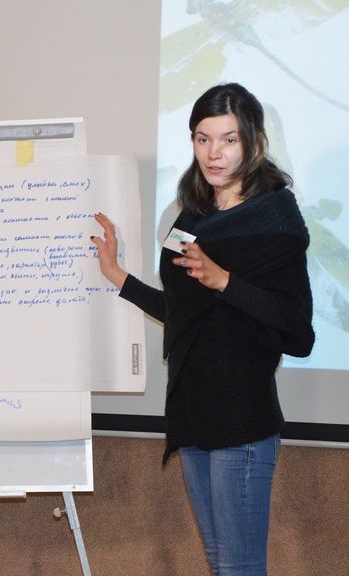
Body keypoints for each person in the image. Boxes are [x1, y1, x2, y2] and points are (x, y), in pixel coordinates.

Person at [90, 82, 314, 576]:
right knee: (219, 563)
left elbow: (299, 333)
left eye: (229, 140)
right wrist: (117, 275)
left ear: (254, 141)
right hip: (192, 414)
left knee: (238, 567)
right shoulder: (192, 213)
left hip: (241, 419)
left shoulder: (275, 218)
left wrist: (225, 280)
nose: (214, 153)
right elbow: (184, 313)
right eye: (202, 138)